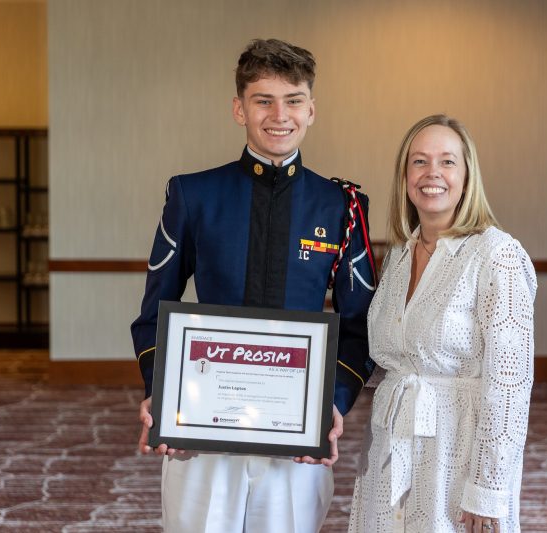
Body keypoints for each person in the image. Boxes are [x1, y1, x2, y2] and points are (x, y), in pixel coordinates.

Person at [130, 38, 376, 533]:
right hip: (202, 428)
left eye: (293, 100)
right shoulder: (193, 194)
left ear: (312, 110)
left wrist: (332, 402)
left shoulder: (341, 206)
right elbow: (155, 312)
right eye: (263, 100)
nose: (279, 114)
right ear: (239, 109)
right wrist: (164, 392)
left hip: (296, 431)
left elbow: (359, 325)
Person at [348, 114, 536, 533]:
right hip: (390, 447)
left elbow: (509, 385)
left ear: (467, 177)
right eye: (419, 161)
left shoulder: (497, 255)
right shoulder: (399, 254)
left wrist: (487, 489)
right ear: (404, 176)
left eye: (447, 162)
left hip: (457, 454)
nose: (432, 173)